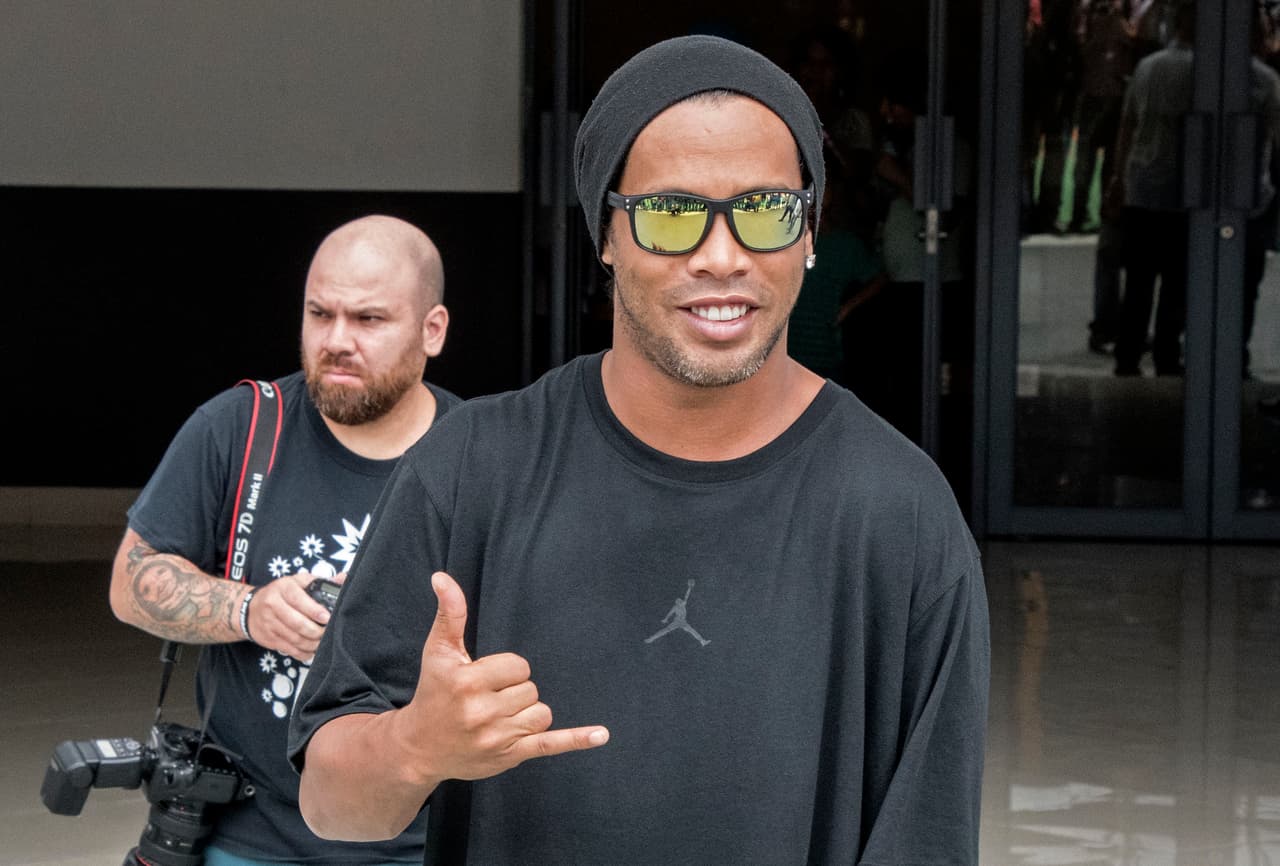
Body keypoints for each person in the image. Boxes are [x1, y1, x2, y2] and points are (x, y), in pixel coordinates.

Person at [291, 35, 990, 865]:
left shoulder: (899, 512)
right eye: (670, 213)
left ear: (809, 231)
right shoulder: (473, 467)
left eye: (766, 210)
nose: (723, 256)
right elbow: (331, 805)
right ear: (608, 235)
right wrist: (414, 746)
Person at [109, 214, 458, 865]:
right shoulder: (239, 428)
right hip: (250, 835)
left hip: (419, 842)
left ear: (431, 329)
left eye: (369, 320)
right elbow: (131, 582)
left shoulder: (479, 458)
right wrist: (247, 609)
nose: (337, 340)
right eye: (319, 314)